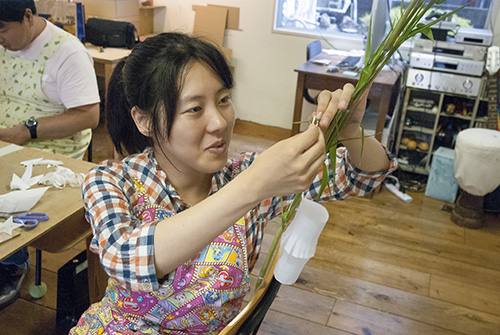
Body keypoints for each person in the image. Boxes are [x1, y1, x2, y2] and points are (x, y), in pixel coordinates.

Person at [71, 32, 397, 334]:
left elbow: (361, 177)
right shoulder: (111, 181)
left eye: (224, 99)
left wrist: (352, 128)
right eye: (195, 108)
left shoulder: (247, 176)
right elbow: (125, 258)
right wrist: (253, 186)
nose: (219, 122)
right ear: (144, 120)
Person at [0, 0, 100, 309]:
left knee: (9, 191)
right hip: (9, 140)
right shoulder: (6, 45)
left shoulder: (66, 52)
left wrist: (27, 130)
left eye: (2, 29)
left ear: (28, 17)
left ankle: (13, 262)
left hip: (50, 149)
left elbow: (88, 116)